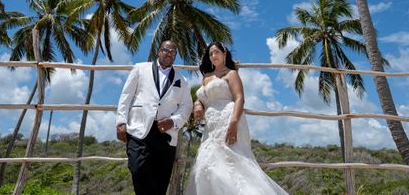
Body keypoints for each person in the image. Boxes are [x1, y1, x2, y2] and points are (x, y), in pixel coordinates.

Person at [184, 42, 288, 194]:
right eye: (211, 54)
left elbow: (239, 98)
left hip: (228, 119)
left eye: (216, 52)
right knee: (205, 165)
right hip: (211, 126)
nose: (213, 56)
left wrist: (233, 124)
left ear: (224, 54)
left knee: (231, 163)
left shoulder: (231, 74)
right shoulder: (206, 76)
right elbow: (203, 96)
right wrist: (197, 103)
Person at [116, 40, 193, 195]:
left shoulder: (182, 80)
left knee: (161, 180)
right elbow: (126, 96)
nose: (169, 53)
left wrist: (173, 121)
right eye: (166, 50)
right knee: (137, 169)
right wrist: (121, 121)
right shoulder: (139, 68)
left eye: (173, 52)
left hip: (165, 134)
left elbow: (187, 106)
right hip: (139, 129)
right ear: (159, 52)